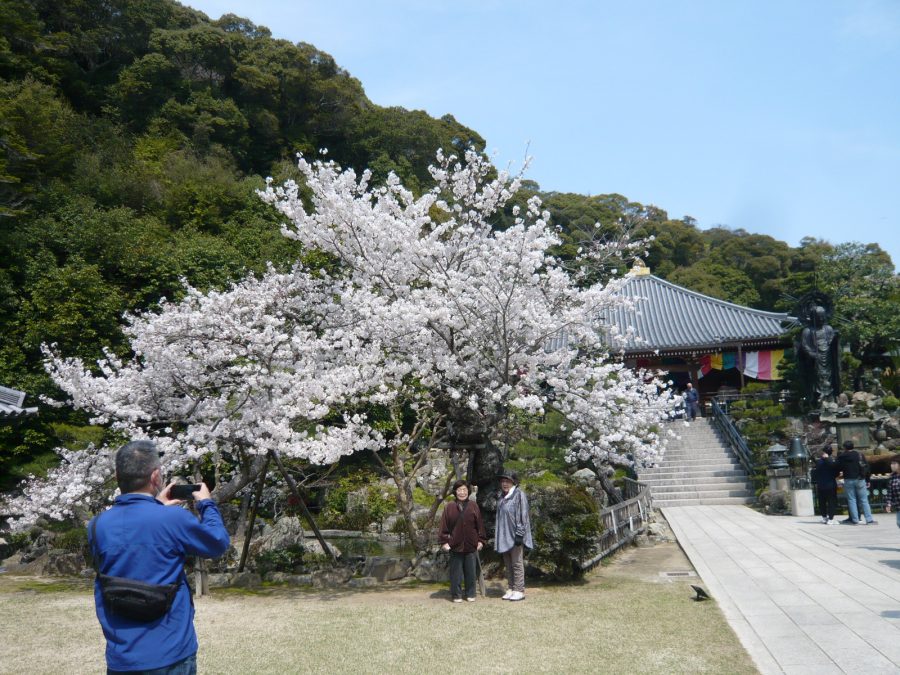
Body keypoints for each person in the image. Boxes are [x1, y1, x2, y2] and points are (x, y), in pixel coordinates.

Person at [88, 440, 230, 674]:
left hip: (122, 657)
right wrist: (206, 504)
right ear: (155, 477)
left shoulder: (96, 525)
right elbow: (217, 543)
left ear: (117, 476)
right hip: (170, 651)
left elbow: (132, 548)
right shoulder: (172, 518)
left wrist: (155, 505)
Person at [438, 479, 486, 603]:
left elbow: (479, 525)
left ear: (468, 491)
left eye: (464, 490)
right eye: (459, 490)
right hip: (455, 545)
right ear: (455, 492)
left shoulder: (473, 505)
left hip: (471, 544)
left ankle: (470, 593)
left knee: (471, 572)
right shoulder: (449, 506)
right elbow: (444, 526)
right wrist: (444, 543)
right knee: (456, 573)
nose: (462, 492)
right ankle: (456, 595)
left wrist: (481, 541)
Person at [495, 469, 533, 601]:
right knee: (508, 564)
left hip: (515, 535)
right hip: (504, 536)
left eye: (508, 481)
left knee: (517, 563)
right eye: (503, 481)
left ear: (513, 482)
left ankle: (519, 589)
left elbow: (523, 515)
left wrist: (520, 534)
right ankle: (511, 588)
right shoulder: (501, 497)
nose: (505, 483)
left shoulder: (519, 495)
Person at [836, 440, 876, 525]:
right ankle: (869, 520)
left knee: (851, 500)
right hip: (860, 479)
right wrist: (868, 480)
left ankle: (855, 520)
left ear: (845, 447)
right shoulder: (859, 455)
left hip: (848, 479)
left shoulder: (842, 456)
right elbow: (866, 468)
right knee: (864, 500)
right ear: (853, 446)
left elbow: (838, 467)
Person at [813, 447, 838, 525]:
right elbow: (835, 470)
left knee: (822, 502)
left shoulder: (819, 462)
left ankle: (824, 517)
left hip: (821, 484)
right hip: (830, 484)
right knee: (831, 501)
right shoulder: (832, 461)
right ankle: (830, 518)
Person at [884, 457, 900, 531]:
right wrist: (888, 504)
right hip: (898, 505)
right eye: (891, 463)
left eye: (894, 464)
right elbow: (890, 492)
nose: (892, 465)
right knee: (898, 523)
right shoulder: (892, 476)